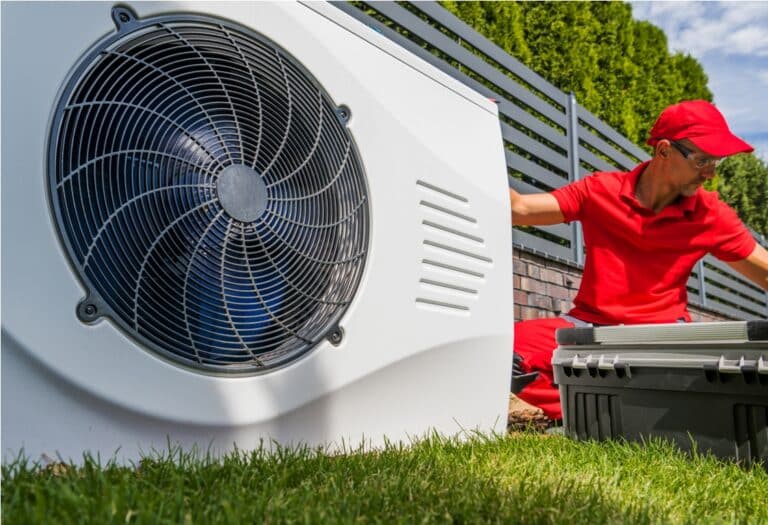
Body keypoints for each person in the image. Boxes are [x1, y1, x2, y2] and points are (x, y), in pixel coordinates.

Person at [510, 100, 768, 420]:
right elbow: (519, 210)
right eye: (702, 160)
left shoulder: (710, 216)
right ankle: (624, 406)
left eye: (716, 162)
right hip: (589, 330)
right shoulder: (599, 190)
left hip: (661, 338)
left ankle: (592, 404)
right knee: (507, 351)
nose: (711, 173)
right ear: (663, 151)